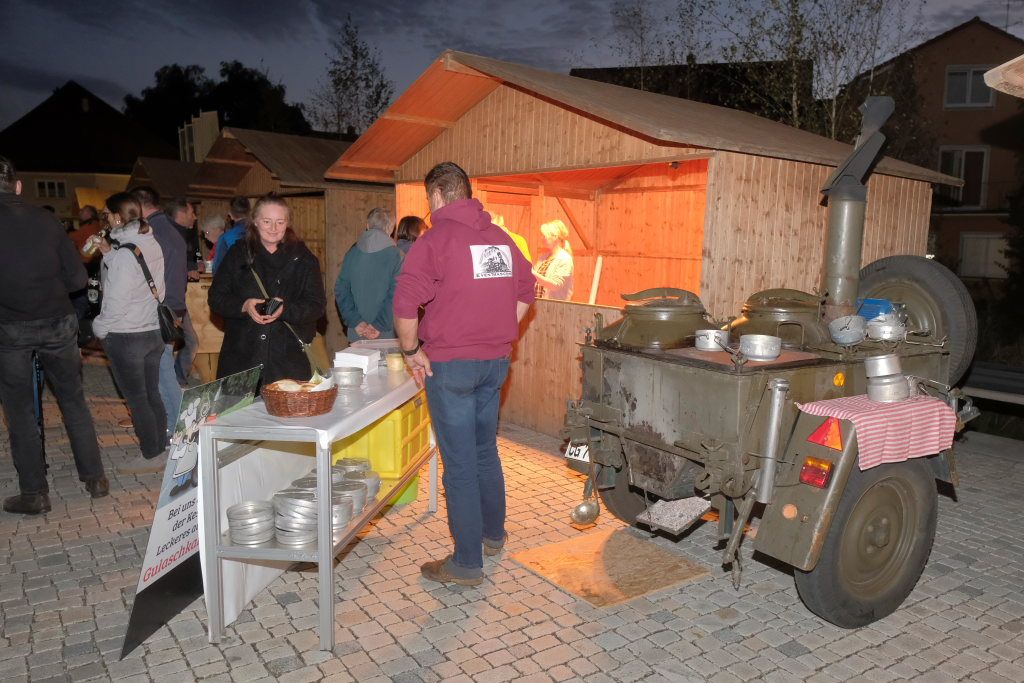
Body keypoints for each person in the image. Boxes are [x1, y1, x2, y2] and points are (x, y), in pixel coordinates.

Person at [393, 161, 535, 586]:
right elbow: (527, 290)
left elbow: (405, 304)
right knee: (484, 450)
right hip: (494, 363)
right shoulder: (500, 239)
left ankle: (467, 563)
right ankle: (493, 535)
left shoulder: (435, 240)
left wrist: (411, 351)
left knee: (459, 465)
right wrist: (499, 331)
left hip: (452, 366)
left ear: (436, 195)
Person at [0, 156, 108, 513]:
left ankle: (34, 494)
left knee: (19, 411)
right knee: (73, 400)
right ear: (18, 186)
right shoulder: (47, 220)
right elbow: (77, 279)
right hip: (58, 323)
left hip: (10, 329)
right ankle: (95, 478)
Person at [208, 194, 325, 385]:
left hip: (288, 360)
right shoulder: (237, 254)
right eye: (267, 221)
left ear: (288, 223)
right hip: (242, 357)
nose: (273, 228)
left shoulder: (304, 259)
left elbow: (316, 305)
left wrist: (285, 310)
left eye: (280, 222)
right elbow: (216, 297)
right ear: (255, 221)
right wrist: (244, 306)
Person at [91, 192, 168, 475]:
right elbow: (139, 274)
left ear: (117, 217)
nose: (105, 218)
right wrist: (108, 253)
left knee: (138, 399)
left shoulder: (126, 253)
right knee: (151, 394)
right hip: (151, 331)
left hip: (127, 336)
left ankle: (151, 455)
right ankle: (161, 447)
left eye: (107, 214)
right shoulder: (148, 242)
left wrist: (99, 327)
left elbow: (117, 303)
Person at [131, 186, 185, 435]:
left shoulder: (153, 232)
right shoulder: (170, 227)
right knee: (163, 369)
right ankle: (176, 425)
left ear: (139, 205)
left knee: (161, 372)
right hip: (172, 306)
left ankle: (174, 427)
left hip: (160, 309)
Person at [335, 208, 403, 342]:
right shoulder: (397, 256)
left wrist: (355, 321)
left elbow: (341, 289)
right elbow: (397, 294)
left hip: (357, 333)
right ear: (391, 228)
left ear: (367, 225)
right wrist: (378, 325)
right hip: (388, 334)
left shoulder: (352, 253)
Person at [167, 198, 200, 385]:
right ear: (181, 214)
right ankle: (173, 383)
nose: (194, 217)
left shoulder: (180, 235)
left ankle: (177, 380)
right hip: (170, 301)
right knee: (169, 345)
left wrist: (191, 266)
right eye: (191, 213)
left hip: (177, 300)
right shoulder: (171, 236)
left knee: (190, 341)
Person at [531, 219, 574, 300]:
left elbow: (556, 285)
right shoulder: (543, 258)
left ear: (555, 237)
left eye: (544, 236)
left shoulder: (565, 259)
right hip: (538, 305)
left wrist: (531, 272)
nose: (542, 238)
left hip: (555, 307)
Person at [212, 196, 250, 274]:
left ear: (231, 215)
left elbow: (217, 269)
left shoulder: (225, 238)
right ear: (249, 212)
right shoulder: (262, 234)